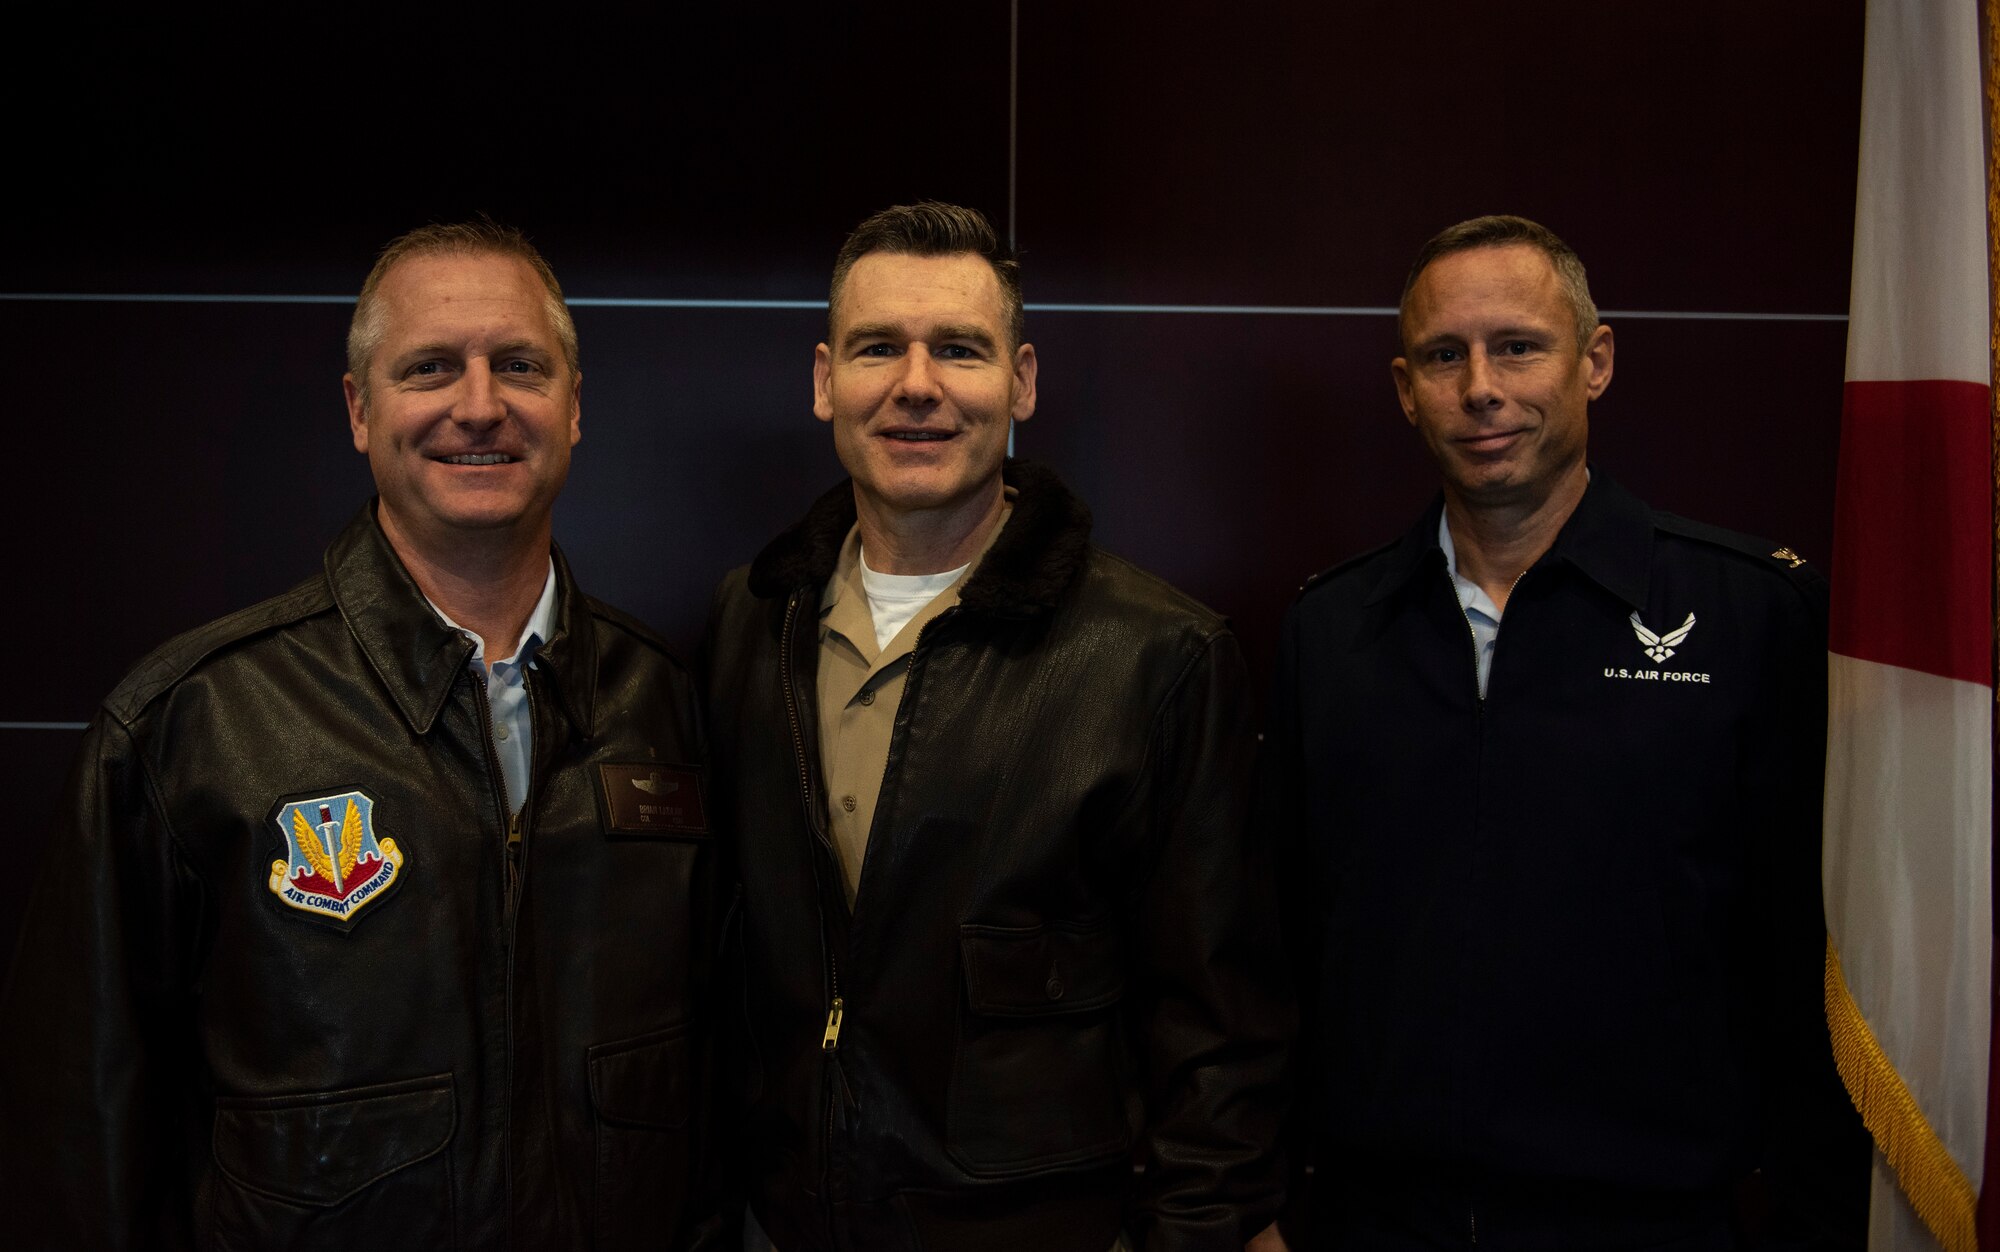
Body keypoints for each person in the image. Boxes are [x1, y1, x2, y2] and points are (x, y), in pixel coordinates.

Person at [0, 221, 726, 1249]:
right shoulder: (193, 725)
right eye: (430, 368)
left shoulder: (666, 703)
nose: (479, 405)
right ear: (359, 409)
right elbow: (81, 1146)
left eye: (518, 365)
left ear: (573, 405)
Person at [1266, 215, 1868, 1248]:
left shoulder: (1749, 615)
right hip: (1377, 1215)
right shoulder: (1330, 630)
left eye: (1516, 346)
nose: (1481, 388)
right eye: (1443, 356)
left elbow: (1807, 958)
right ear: (1405, 387)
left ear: (1593, 362)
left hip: (1658, 1218)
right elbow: (1276, 945)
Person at [703, 201, 1290, 1251]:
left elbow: (1217, 1039)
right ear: (824, 380)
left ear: (1018, 382)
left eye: (958, 350)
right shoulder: (749, 623)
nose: (916, 384)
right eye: (879, 346)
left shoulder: (1158, 656)